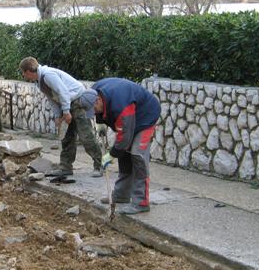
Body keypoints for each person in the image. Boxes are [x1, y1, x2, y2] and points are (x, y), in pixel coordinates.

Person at [19, 57, 103, 177]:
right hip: (67, 103)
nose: (23, 75)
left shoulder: (48, 75)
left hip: (77, 102)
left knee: (86, 136)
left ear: (28, 71)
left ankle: (99, 165)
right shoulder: (39, 81)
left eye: (23, 72)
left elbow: (63, 92)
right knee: (67, 137)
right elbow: (52, 98)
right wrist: (58, 115)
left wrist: (66, 111)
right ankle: (65, 167)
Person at [92, 77, 161, 214]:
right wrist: (100, 122)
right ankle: (122, 195)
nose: (94, 113)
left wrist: (110, 155)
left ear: (98, 100)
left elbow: (124, 138)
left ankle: (141, 202)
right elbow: (99, 109)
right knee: (123, 153)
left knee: (137, 154)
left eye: (94, 110)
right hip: (130, 117)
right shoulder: (94, 91)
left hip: (146, 116)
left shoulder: (121, 105)